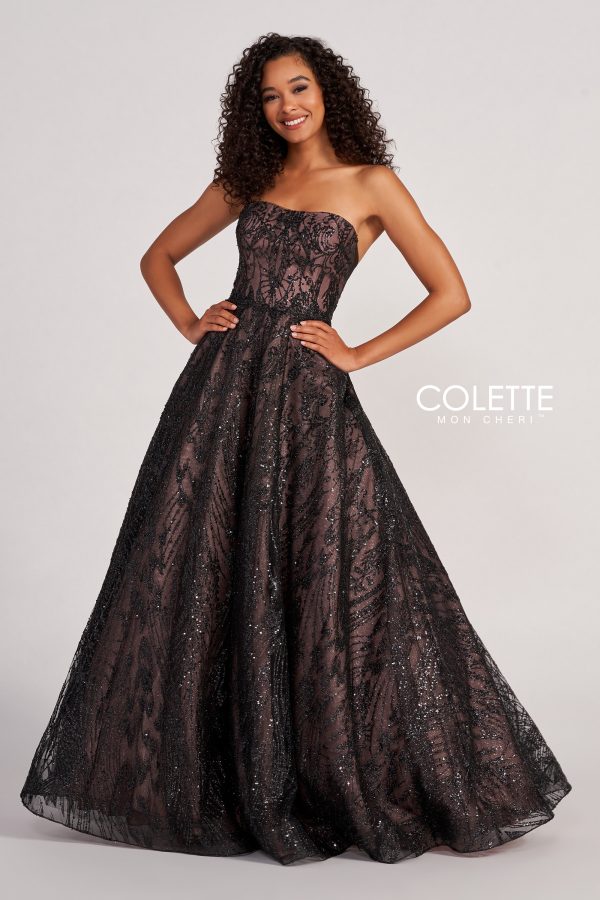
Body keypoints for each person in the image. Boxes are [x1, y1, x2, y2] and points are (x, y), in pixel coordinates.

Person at [20, 32, 572, 866]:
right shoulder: (247, 180)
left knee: (333, 567)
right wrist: (189, 321)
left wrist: (357, 353)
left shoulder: (371, 183)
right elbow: (158, 255)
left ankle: (324, 771)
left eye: (300, 88)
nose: (287, 106)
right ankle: (215, 773)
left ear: (328, 92)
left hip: (307, 401)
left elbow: (451, 293)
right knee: (201, 565)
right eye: (272, 95)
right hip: (219, 397)